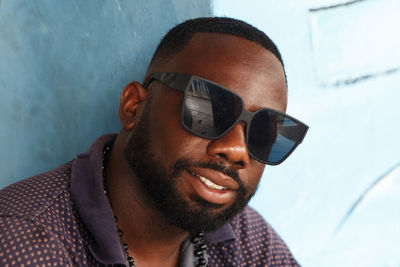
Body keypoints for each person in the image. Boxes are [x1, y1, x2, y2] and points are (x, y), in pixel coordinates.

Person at [0, 17, 308, 266]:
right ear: (133, 107)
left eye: (265, 132)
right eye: (208, 111)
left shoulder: (242, 238)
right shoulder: (25, 241)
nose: (237, 150)